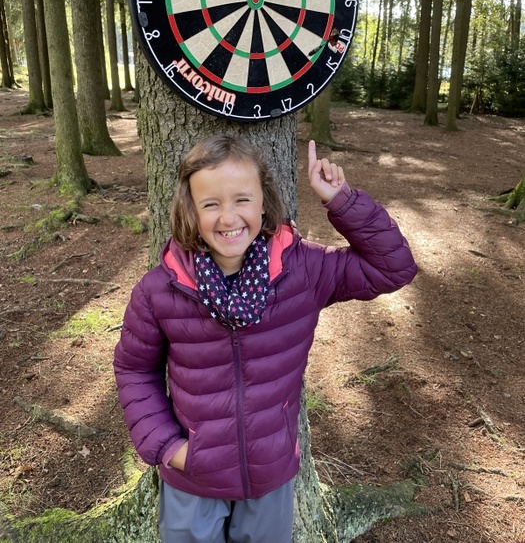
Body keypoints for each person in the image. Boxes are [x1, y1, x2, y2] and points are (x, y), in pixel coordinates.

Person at [114, 134, 417, 543]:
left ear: (263, 202)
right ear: (190, 210)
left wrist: (341, 200)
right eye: (210, 204)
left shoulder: (302, 270)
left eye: (242, 199)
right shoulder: (160, 289)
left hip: (270, 475)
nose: (228, 218)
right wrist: (167, 446)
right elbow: (134, 369)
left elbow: (394, 268)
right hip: (192, 477)